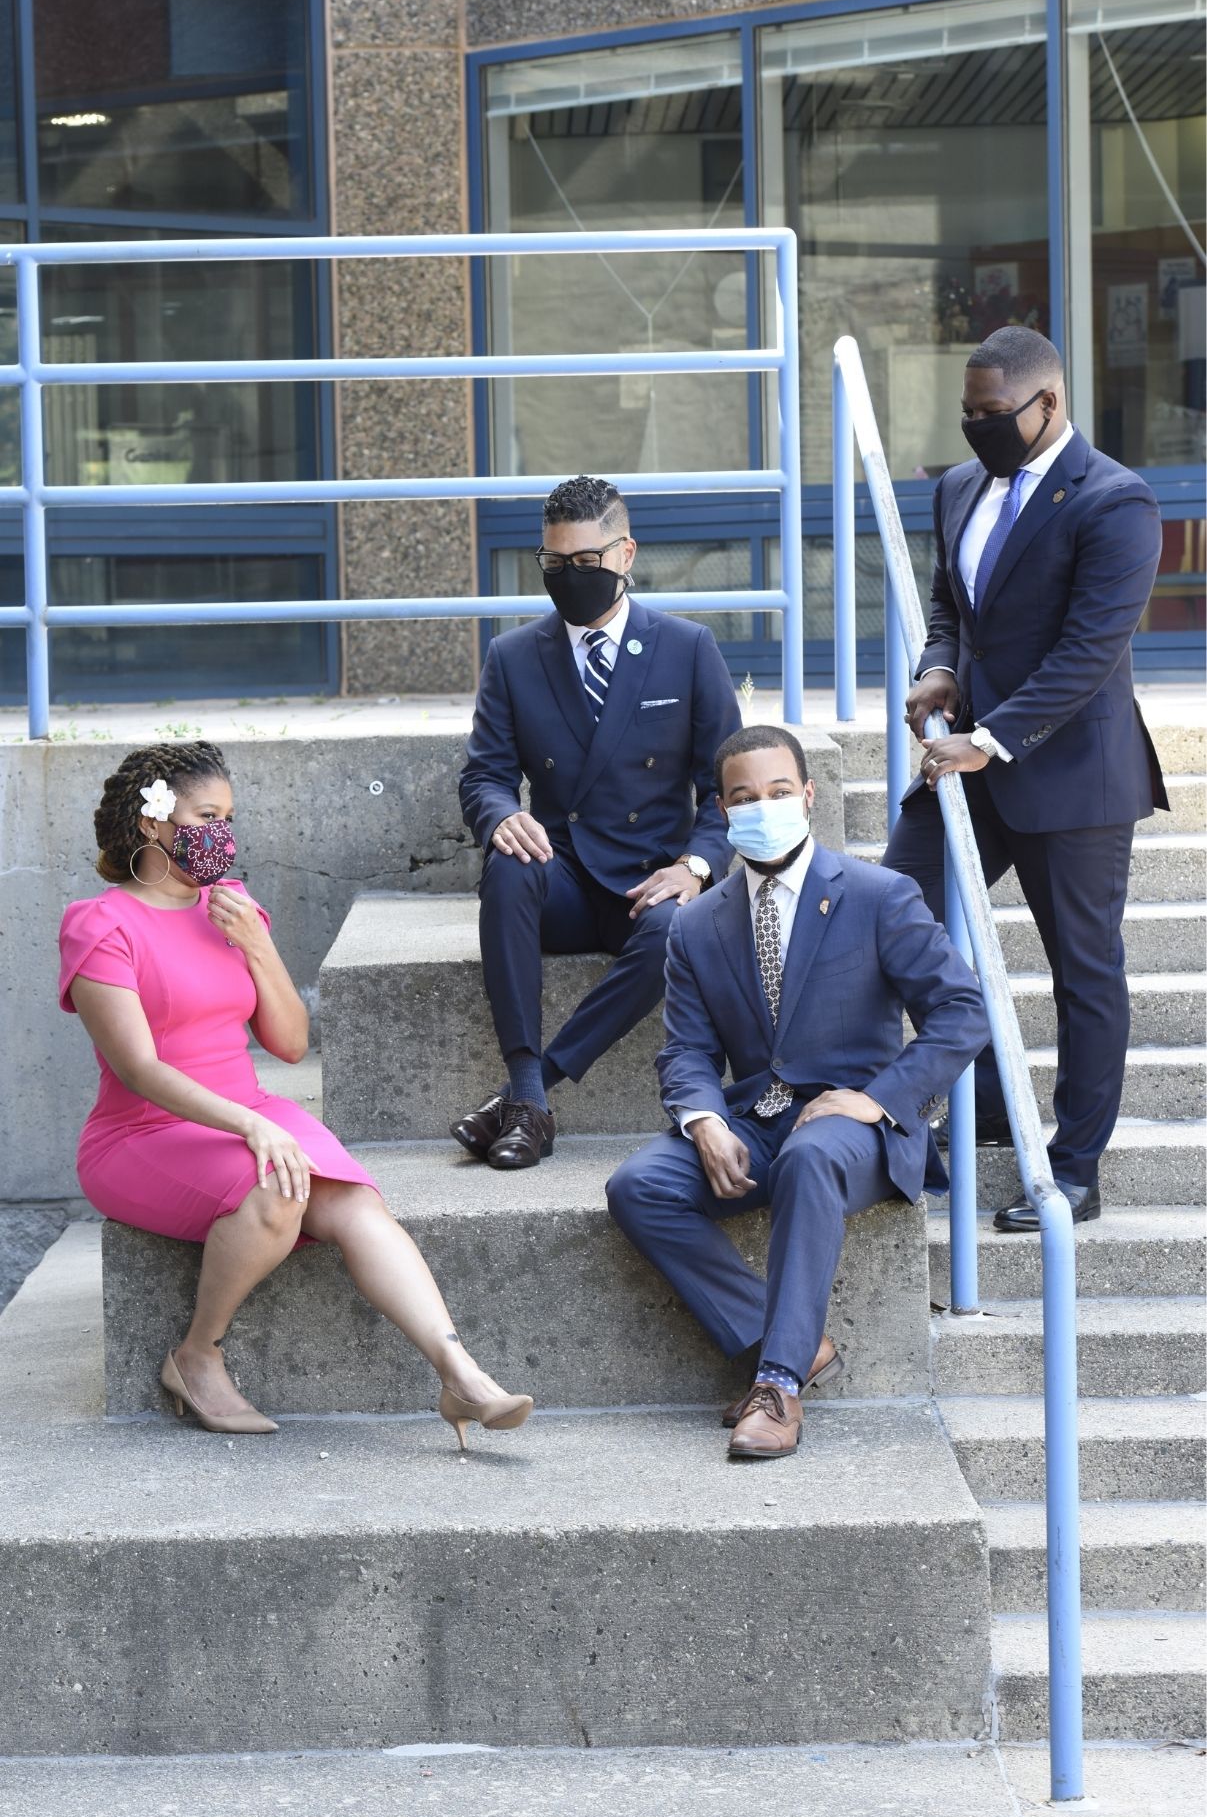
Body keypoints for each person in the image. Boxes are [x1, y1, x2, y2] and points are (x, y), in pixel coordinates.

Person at [59, 741, 533, 1448]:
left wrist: (255, 944)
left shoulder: (233, 907)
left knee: (352, 1199)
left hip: (248, 1110)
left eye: (230, 817)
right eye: (207, 815)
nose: (223, 833)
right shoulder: (101, 924)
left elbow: (286, 1041)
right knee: (280, 1188)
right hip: (141, 1135)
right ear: (153, 822)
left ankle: (459, 1375)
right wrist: (249, 1128)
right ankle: (197, 1356)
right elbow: (139, 1068)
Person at [606, 725, 988, 1460]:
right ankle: (791, 1341)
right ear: (721, 810)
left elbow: (960, 1012)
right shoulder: (696, 924)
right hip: (756, 1119)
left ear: (808, 797)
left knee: (811, 1156)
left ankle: (776, 1385)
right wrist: (703, 1121)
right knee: (638, 1185)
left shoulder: (877, 894)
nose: (763, 806)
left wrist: (877, 1098)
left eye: (779, 792)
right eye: (744, 797)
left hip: (857, 1129)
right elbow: (685, 1049)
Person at [882, 325, 1167, 1233]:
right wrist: (937, 667)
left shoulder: (1115, 501)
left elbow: (1089, 651)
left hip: (1069, 776)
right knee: (892, 914)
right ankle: (987, 1106)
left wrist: (991, 738)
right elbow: (948, 603)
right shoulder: (959, 487)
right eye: (967, 412)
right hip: (964, 762)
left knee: (1083, 972)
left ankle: (1075, 1168)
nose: (976, 428)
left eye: (993, 413)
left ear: (1049, 404)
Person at [456, 474, 742, 1170]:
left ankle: (528, 1095)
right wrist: (500, 817)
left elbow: (727, 786)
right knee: (507, 865)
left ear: (625, 554)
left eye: (585, 562)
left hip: (649, 879)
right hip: (562, 879)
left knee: (677, 928)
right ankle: (529, 1091)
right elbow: (484, 774)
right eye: (554, 565)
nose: (569, 577)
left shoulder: (686, 647)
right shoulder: (514, 656)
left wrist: (695, 866)